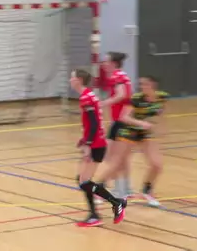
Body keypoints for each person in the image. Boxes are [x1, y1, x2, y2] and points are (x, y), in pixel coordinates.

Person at [115, 75, 168, 206]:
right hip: (129, 131)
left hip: (144, 133)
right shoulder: (136, 98)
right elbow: (124, 117)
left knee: (157, 164)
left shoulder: (162, 97)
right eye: (141, 84)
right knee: (119, 161)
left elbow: (160, 112)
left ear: (153, 86)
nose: (142, 87)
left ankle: (146, 191)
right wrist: (141, 123)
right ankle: (115, 190)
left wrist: (160, 126)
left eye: (145, 84)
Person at [70, 69, 107, 227]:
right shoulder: (89, 95)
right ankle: (96, 210)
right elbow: (93, 123)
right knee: (83, 180)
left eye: (71, 78)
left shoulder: (86, 97)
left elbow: (93, 124)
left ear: (78, 80)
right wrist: (85, 138)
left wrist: (88, 145)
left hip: (96, 145)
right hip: (97, 143)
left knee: (84, 181)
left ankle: (96, 214)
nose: (69, 81)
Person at [100, 52, 133, 197]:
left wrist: (102, 103)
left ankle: (119, 190)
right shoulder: (121, 75)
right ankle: (125, 188)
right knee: (121, 157)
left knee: (112, 156)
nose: (104, 64)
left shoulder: (117, 76)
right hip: (120, 122)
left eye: (106, 61)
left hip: (121, 122)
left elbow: (121, 95)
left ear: (114, 63)